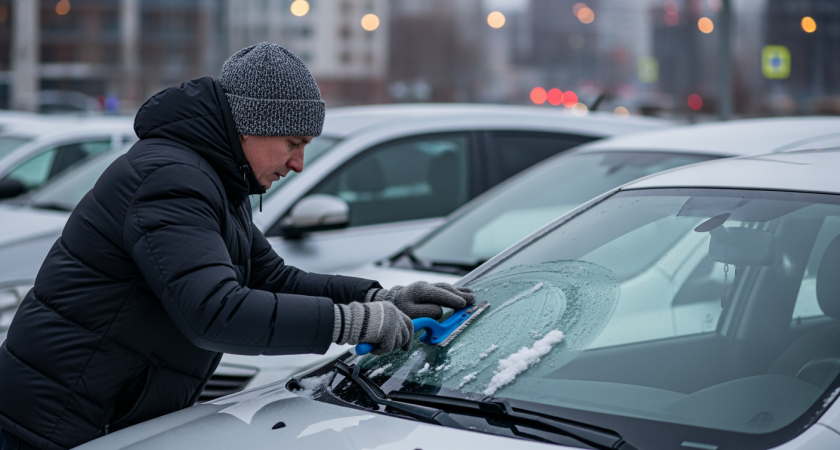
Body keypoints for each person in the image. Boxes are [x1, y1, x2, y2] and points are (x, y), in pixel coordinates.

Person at [0, 43, 474, 450]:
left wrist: (378, 298)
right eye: (293, 141)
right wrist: (353, 323)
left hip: (95, 418)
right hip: (51, 427)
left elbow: (274, 278)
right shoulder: (171, 180)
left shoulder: (215, 182)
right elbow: (214, 312)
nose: (298, 163)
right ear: (249, 124)